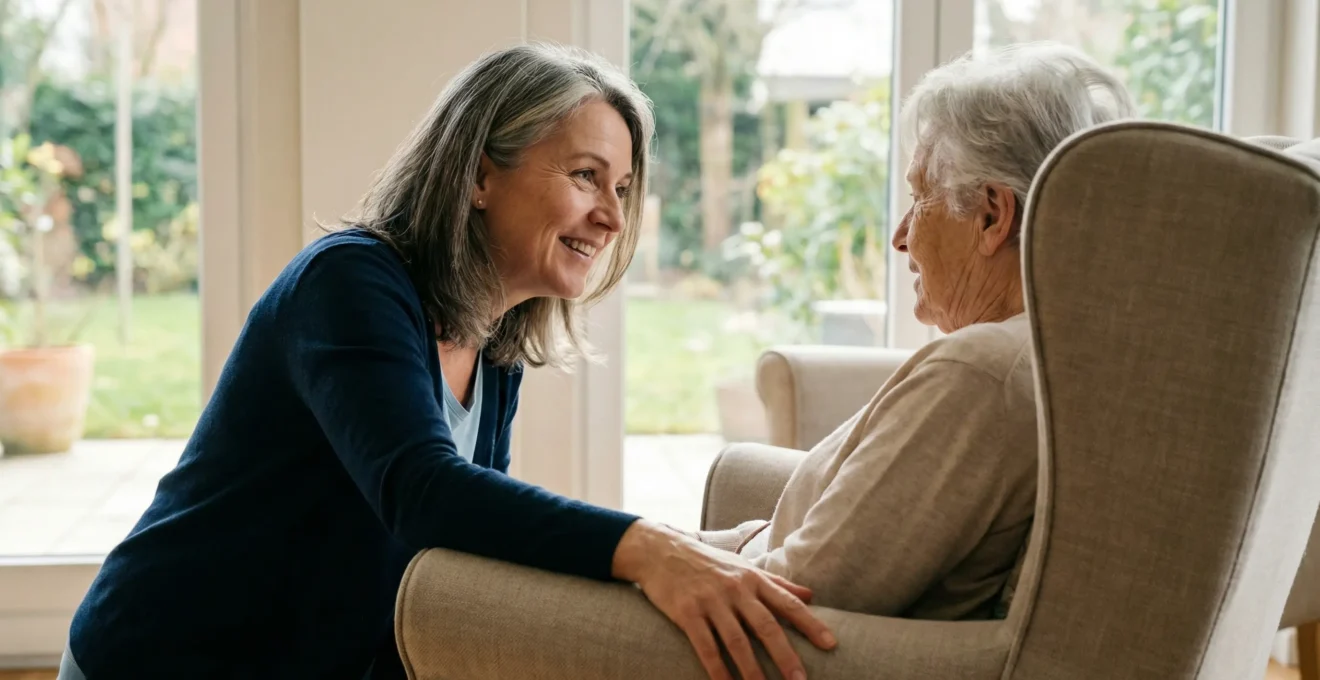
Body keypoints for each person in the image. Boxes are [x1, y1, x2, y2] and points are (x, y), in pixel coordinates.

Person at [60, 43, 833, 680]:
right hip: (158, 659)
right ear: (478, 175)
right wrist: (649, 549)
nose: (613, 216)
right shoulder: (349, 282)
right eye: (586, 175)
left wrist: (685, 551)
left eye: (623, 187)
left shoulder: (494, 343)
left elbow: (461, 542)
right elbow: (424, 493)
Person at [698, 43, 1136, 620]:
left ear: (991, 216)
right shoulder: (1061, 348)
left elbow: (797, 597)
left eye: (919, 197)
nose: (900, 236)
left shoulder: (980, 375)